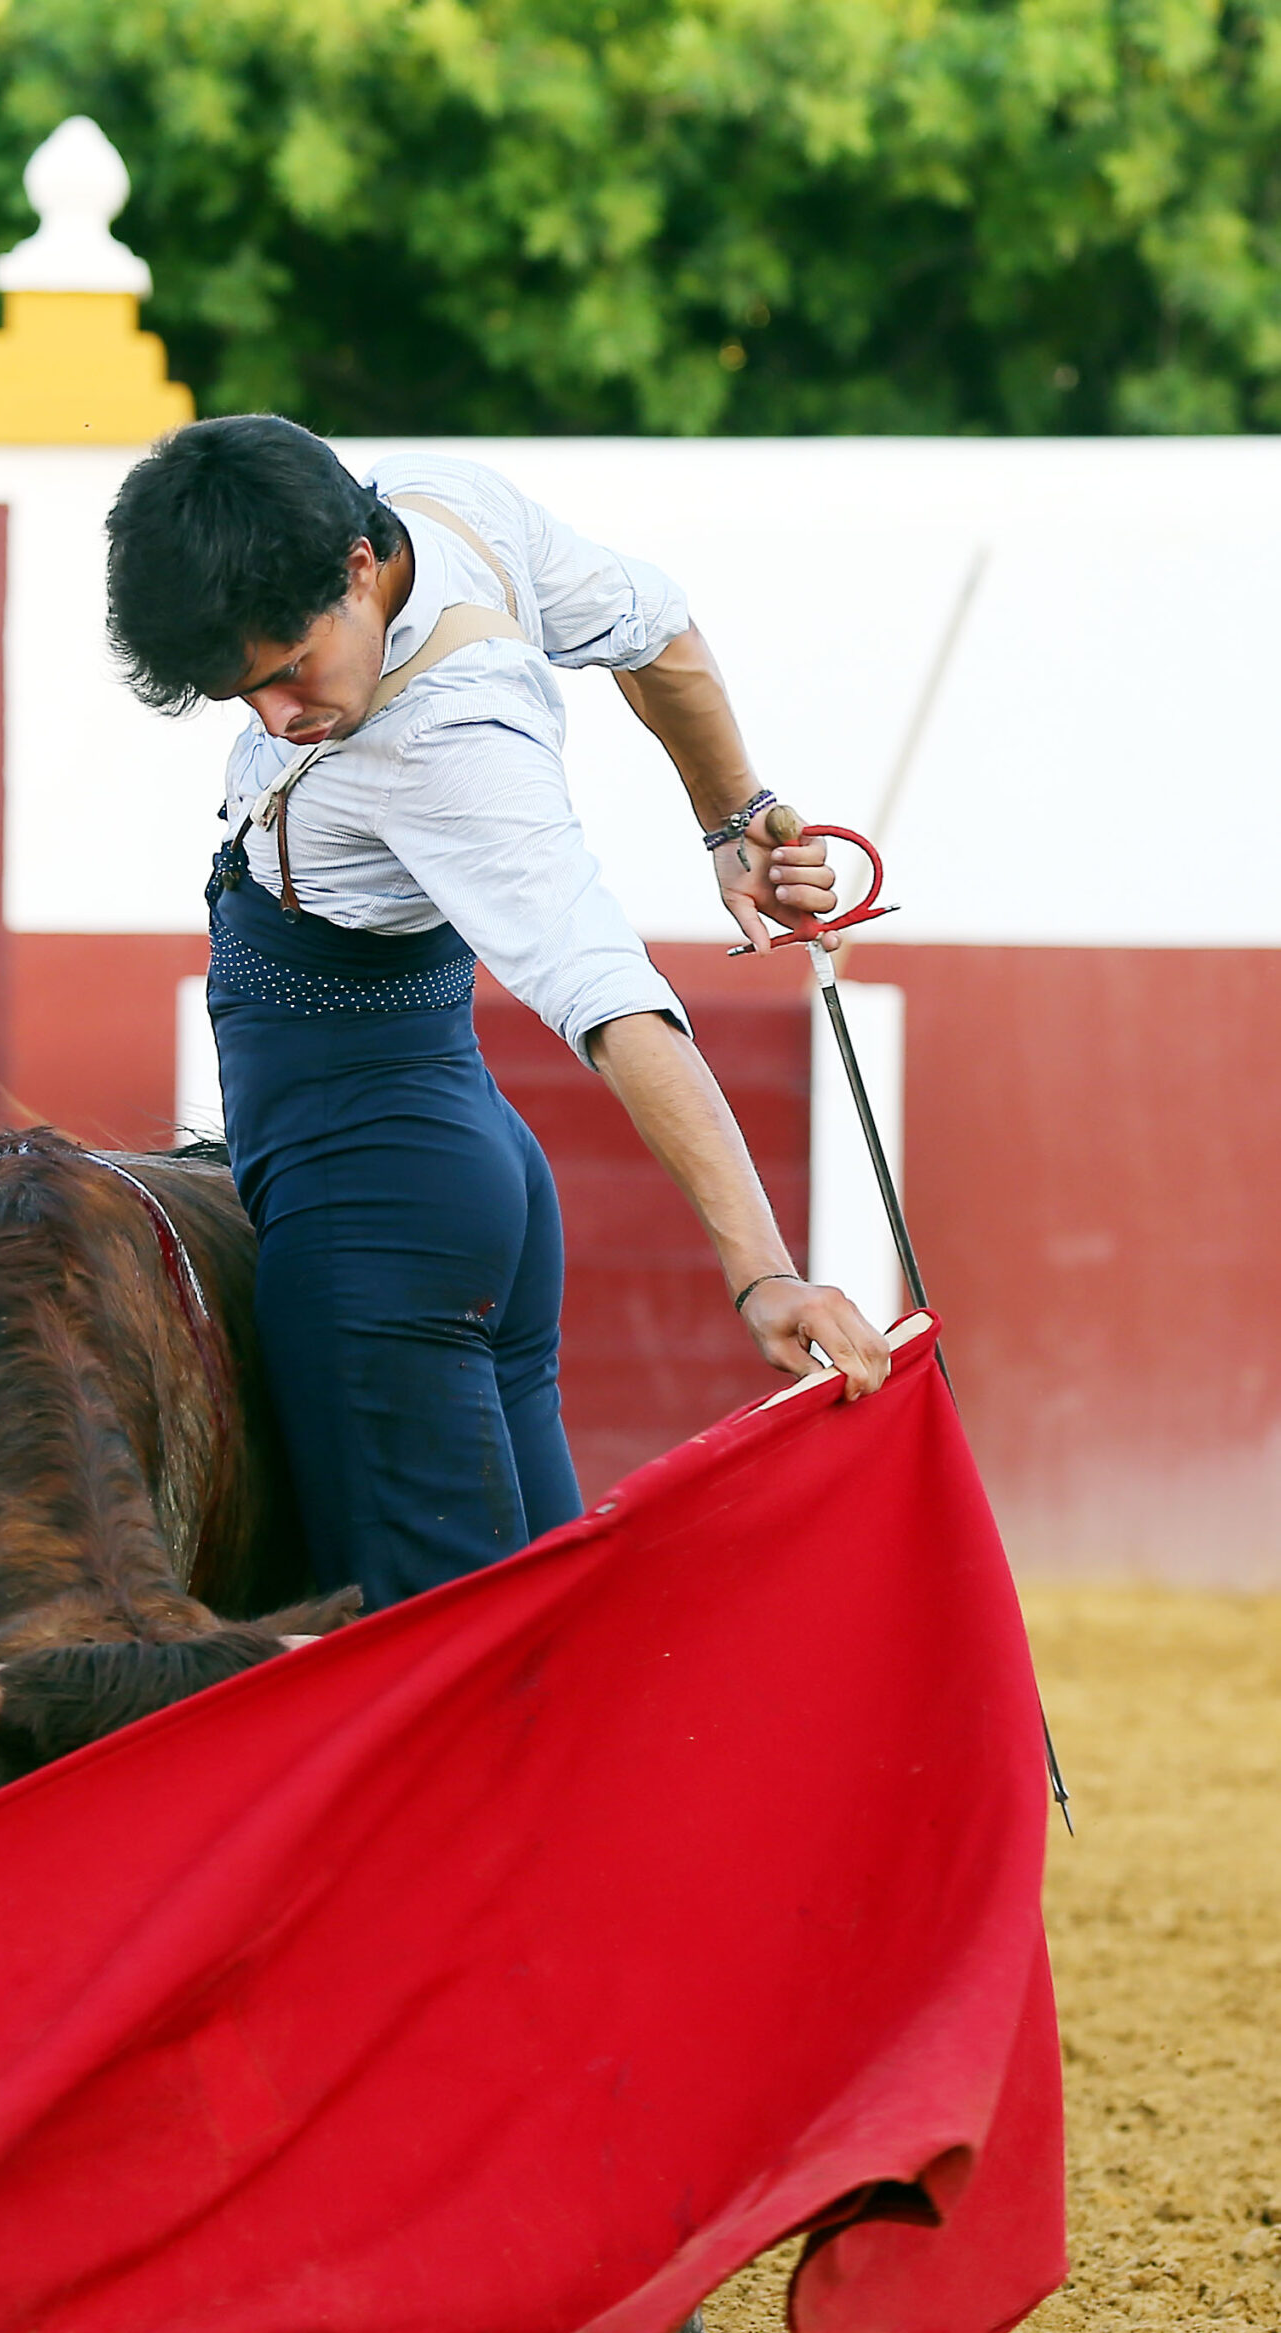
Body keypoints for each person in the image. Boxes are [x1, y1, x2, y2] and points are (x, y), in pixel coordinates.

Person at [104, 416, 891, 1620]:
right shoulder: (434, 500)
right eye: (240, 691)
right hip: (459, 1179)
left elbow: (612, 996)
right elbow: (655, 624)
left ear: (358, 570)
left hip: (372, 1218)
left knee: (442, 1675)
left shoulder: (452, 745)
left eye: (287, 668)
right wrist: (736, 816)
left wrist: (759, 1273)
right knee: (536, 1640)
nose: (274, 715)